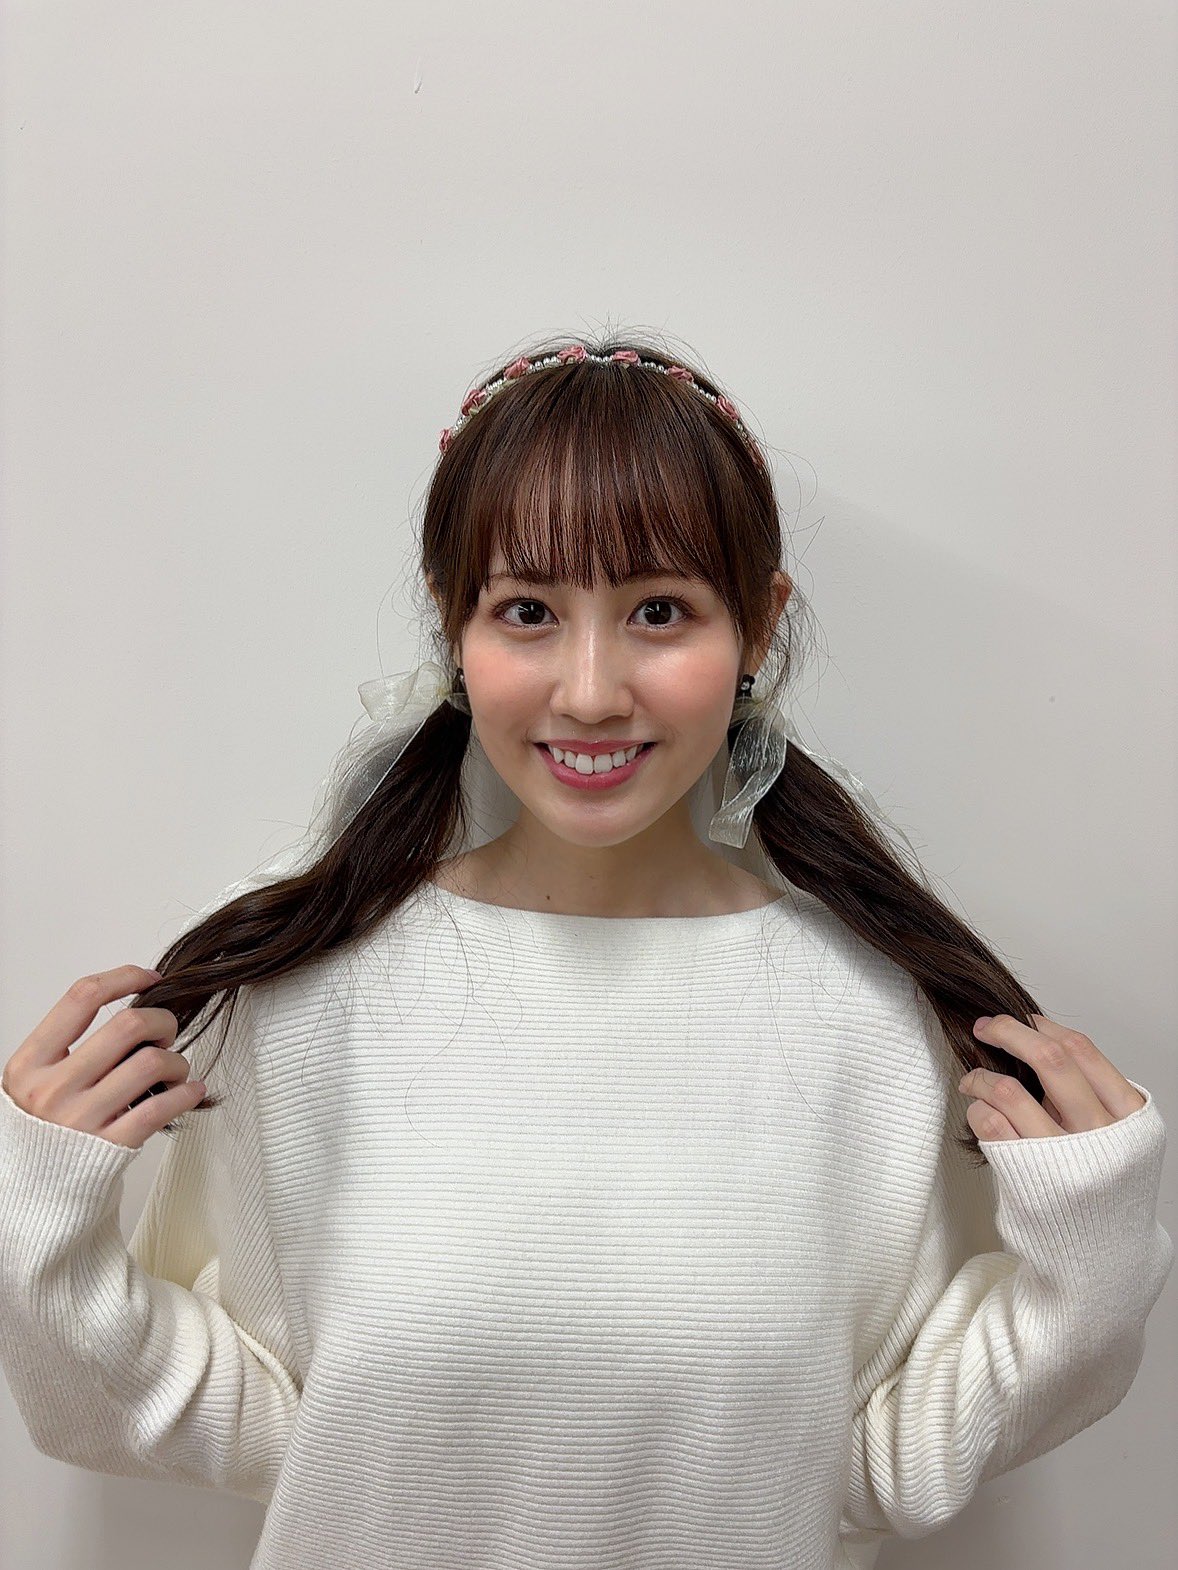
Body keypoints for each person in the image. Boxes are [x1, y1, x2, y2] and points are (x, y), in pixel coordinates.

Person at [0, 332, 1171, 1570]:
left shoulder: (874, 1017)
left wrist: (1091, 1256)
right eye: (528, 613)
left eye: (657, 610)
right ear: (452, 625)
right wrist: (41, 1218)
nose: (591, 689)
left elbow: (881, 1462)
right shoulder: (299, 993)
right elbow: (263, 1427)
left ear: (759, 623)